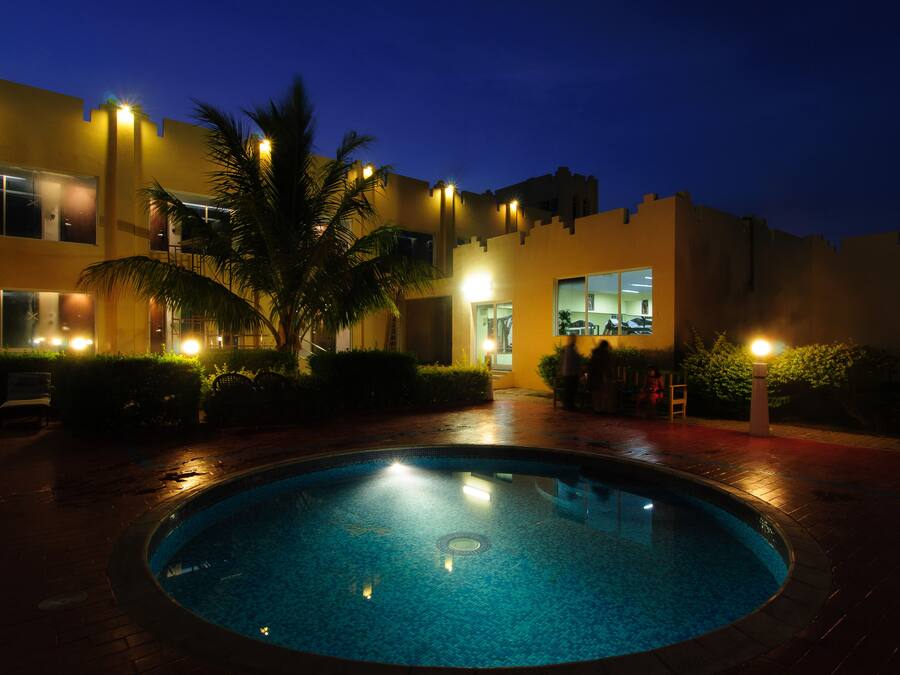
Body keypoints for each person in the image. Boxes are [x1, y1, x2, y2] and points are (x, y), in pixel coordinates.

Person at [588, 340, 616, 413]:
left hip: (595, 376)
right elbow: (607, 366)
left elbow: (590, 365)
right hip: (601, 376)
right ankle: (604, 408)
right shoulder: (605, 355)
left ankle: (597, 407)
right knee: (602, 392)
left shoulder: (595, 354)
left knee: (596, 393)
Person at [560, 334, 581, 411]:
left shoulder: (567, 349)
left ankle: (568, 405)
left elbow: (562, 361)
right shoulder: (571, 349)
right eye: (574, 339)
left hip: (568, 372)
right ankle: (569, 405)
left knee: (569, 390)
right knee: (570, 390)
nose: (575, 340)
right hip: (571, 373)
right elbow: (575, 361)